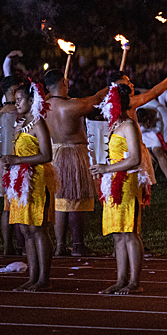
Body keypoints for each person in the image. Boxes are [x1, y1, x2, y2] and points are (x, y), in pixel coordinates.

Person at [43, 69, 107, 257]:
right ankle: (78, 245)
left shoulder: (44, 106)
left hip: (55, 154)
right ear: (63, 83)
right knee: (76, 199)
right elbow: (94, 100)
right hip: (73, 153)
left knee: (60, 202)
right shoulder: (71, 106)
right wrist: (111, 87)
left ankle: (60, 245)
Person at [91, 83, 147, 295]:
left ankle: (134, 281)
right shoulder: (114, 125)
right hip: (112, 182)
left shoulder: (129, 126)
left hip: (127, 183)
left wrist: (108, 167)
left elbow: (135, 158)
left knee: (130, 232)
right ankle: (120, 279)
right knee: (118, 234)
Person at [2, 80, 55, 291]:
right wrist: (10, 161)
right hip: (20, 182)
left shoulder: (39, 123)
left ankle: (44, 278)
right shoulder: (21, 124)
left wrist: (17, 161)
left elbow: (47, 155)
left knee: (38, 228)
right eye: (15, 100)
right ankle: (33, 277)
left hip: (36, 182)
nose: (16, 104)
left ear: (32, 100)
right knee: (25, 229)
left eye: (20, 99)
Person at [0, 75, 24, 255]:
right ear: (10, 91)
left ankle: (9, 246)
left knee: (7, 206)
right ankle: (15, 246)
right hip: (12, 163)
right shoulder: (14, 112)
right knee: (11, 206)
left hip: (5, 161)